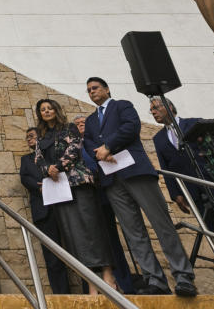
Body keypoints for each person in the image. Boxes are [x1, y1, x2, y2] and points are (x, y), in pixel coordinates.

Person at [82, 77, 197, 297]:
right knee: (133, 232)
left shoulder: (122, 105)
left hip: (135, 172)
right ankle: (154, 280)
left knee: (161, 224)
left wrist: (108, 146)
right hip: (112, 179)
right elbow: (88, 142)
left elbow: (130, 127)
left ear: (107, 89)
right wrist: (99, 153)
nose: (92, 92)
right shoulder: (90, 120)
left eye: (95, 88)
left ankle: (183, 276)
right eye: (88, 91)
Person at [149, 96, 214, 293]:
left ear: (169, 106)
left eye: (155, 107)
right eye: (151, 110)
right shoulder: (158, 139)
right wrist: (176, 194)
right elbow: (166, 167)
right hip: (195, 193)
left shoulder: (194, 124)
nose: (153, 112)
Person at [31, 99, 117, 294]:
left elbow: (74, 149)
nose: (46, 111)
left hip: (78, 183)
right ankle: (92, 284)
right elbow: (38, 159)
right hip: (58, 189)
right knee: (74, 235)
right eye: (42, 109)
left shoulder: (69, 128)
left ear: (56, 109)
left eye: (49, 108)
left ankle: (107, 273)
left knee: (92, 228)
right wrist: (48, 169)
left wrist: (58, 167)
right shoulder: (41, 136)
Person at [73, 115, 136, 295]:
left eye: (83, 123)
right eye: (77, 124)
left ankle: (123, 283)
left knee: (110, 239)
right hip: (84, 196)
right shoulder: (74, 146)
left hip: (103, 192)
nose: (80, 126)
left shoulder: (96, 141)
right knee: (88, 241)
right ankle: (93, 286)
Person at [19, 126, 70, 294]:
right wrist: (38, 187)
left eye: (32, 136)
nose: (29, 139)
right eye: (27, 137)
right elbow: (25, 177)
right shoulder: (26, 160)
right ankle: (61, 295)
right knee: (52, 256)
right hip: (43, 210)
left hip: (63, 205)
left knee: (75, 249)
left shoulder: (56, 153)